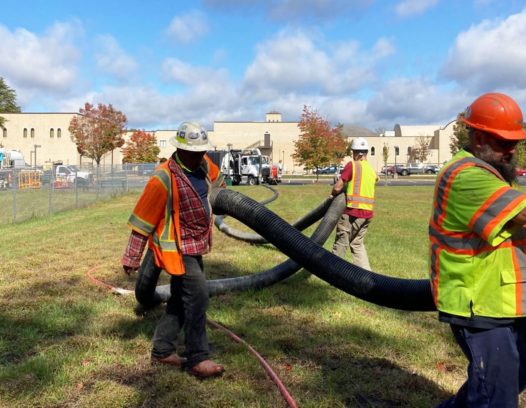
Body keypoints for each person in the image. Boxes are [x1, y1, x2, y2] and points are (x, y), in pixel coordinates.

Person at [430, 93, 526, 407]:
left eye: (515, 143)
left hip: (505, 300)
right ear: (478, 137)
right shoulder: (466, 175)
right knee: (495, 398)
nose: (512, 150)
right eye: (503, 143)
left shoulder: (492, 174)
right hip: (480, 305)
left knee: (500, 385)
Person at [121, 121, 226, 379]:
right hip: (175, 248)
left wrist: (224, 198)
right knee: (198, 295)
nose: (199, 155)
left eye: (202, 150)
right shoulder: (163, 178)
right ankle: (198, 358)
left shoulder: (203, 165)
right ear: (180, 150)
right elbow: (142, 221)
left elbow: (219, 182)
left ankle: (162, 350)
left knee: (181, 299)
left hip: (195, 244)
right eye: (194, 151)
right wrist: (132, 256)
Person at [330, 137, 378, 270]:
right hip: (367, 215)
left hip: (352, 213)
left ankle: (334, 274)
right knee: (357, 244)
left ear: (358, 154)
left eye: (353, 153)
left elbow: (338, 187)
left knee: (341, 243)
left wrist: (332, 194)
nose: (353, 155)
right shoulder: (371, 170)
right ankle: (367, 276)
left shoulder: (353, 165)